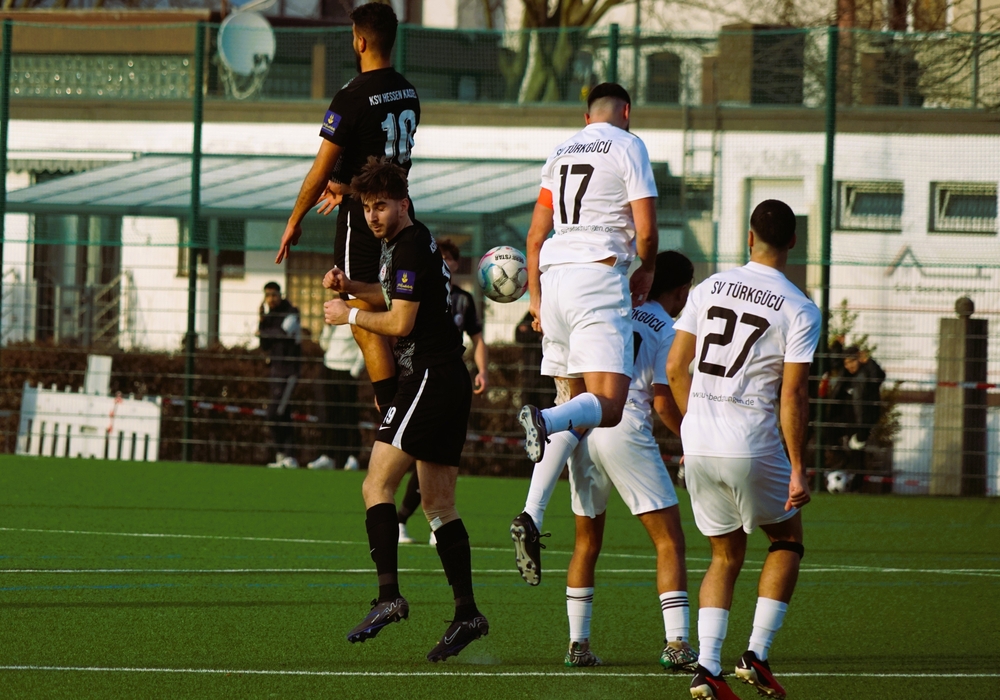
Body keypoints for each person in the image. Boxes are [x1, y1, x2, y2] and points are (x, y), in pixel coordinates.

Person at [322, 157, 487, 662]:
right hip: (446, 378)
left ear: (403, 203)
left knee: (376, 485)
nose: (373, 216)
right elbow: (394, 294)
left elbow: (400, 323)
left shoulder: (410, 244)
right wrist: (353, 288)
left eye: (381, 206)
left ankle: (389, 597)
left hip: (430, 377)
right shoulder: (407, 242)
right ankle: (467, 614)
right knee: (438, 505)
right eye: (367, 208)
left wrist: (348, 315)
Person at [666, 200, 820, 700]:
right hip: (750, 441)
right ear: (793, 242)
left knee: (724, 554)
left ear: (749, 237)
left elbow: (675, 368)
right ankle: (755, 653)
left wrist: (693, 428)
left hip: (699, 441)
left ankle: (708, 667)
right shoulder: (799, 307)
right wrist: (799, 467)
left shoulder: (709, 287)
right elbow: (793, 394)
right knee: (787, 540)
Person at [510, 82, 659, 583]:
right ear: (626, 111)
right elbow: (647, 229)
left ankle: (531, 513)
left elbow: (535, 235)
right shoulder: (629, 145)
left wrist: (534, 299)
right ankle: (542, 419)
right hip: (597, 277)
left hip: (554, 281)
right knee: (609, 406)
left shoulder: (561, 151)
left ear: (586, 115)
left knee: (577, 411)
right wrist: (647, 267)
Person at [555, 251, 698, 674]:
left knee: (586, 542)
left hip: (587, 425)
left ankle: (577, 645)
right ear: (681, 291)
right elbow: (663, 401)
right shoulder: (667, 328)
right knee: (669, 540)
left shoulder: (616, 312)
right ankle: (677, 644)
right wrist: (694, 436)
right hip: (625, 426)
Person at [276, 1, 419, 421]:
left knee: (359, 314)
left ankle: (392, 410)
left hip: (365, 216)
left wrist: (294, 220)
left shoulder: (351, 96)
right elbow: (381, 158)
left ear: (359, 42)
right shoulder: (408, 91)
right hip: (401, 209)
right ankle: (404, 393)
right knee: (389, 304)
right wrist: (348, 186)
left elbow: (320, 170)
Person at [397, 237, 488, 545]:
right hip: (422, 375)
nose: (445, 263)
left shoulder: (463, 300)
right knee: (422, 453)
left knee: (439, 453)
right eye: (441, 258)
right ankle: (408, 519)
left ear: (457, 264)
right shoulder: (422, 291)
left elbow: (477, 339)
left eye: (450, 259)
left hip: (450, 380)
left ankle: (432, 521)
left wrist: (483, 370)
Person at [307, 323, 364, 471]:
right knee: (329, 413)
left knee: (348, 414)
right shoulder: (334, 322)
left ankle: (352, 457)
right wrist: (327, 327)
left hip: (347, 371)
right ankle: (328, 455)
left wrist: (356, 370)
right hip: (329, 368)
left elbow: (364, 346)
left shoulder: (356, 319)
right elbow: (324, 345)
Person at [258, 281, 302, 469]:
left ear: (280, 295)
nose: (271, 299)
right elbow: (264, 344)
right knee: (278, 413)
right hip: (276, 371)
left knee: (278, 412)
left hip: (289, 372)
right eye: (267, 295)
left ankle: (288, 455)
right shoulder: (268, 317)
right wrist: (261, 322)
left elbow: (282, 333)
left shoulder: (291, 312)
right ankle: (283, 454)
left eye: (274, 295)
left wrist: (264, 331)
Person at [830, 345, 885, 487]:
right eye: (846, 363)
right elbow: (832, 362)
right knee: (825, 433)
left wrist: (870, 361)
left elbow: (879, 376)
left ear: (859, 360)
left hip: (859, 421)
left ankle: (857, 483)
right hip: (842, 418)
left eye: (852, 362)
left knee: (857, 450)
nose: (849, 366)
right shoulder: (844, 373)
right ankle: (844, 460)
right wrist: (837, 345)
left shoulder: (867, 374)